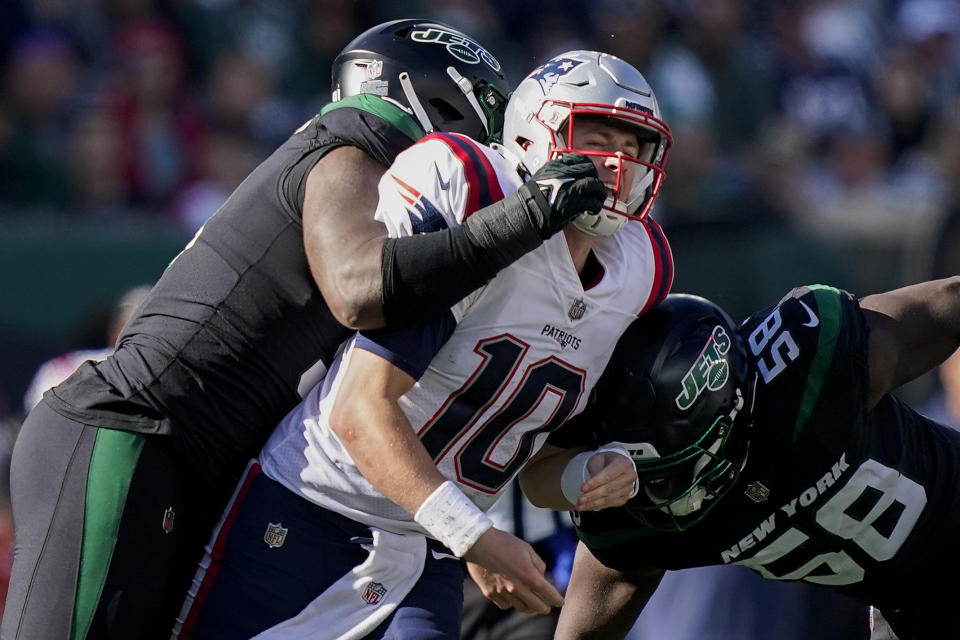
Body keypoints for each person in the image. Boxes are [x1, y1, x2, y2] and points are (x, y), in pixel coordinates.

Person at [1, 20, 606, 640]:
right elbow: (357, 289)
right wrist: (526, 217)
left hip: (193, 458)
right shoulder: (353, 146)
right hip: (134, 430)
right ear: (436, 98)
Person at [170, 50, 673, 639]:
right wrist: (476, 537)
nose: (617, 163)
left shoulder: (638, 273)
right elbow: (360, 410)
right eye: (596, 135)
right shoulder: (478, 197)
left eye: (634, 146)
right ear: (537, 133)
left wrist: (588, 473)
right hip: (309, 508)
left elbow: (530, 466)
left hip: (426, 549)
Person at [538, 278, 960, 640]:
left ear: (730, 420)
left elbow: (950, 298)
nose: (655, 497)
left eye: (672, 474)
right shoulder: (634, 518)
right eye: (647, 479)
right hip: (906, 600)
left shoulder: (808, 365)